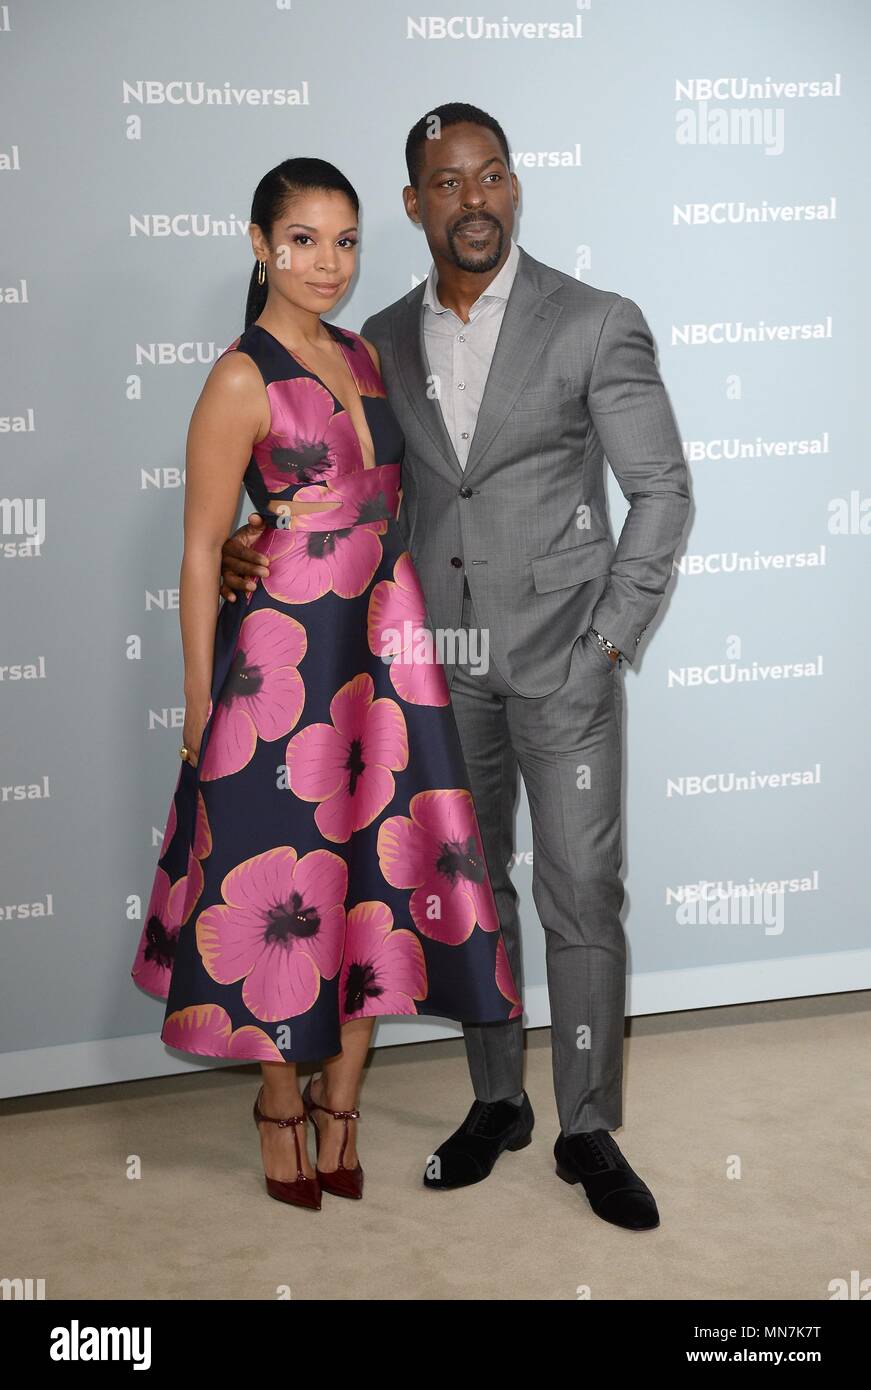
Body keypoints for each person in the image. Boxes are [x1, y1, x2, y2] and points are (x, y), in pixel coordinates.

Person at [221, 105, 692, 1232]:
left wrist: (611, 640)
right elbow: (332, 482)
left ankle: (585, 1123)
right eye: (446, 181)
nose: (472, 198)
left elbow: (662, 491)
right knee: (472, 899)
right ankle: (497, 1101)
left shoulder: (594, 320)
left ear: (514, 187)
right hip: (437, 673)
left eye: (490, 176)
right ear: (413, 203)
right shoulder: (372, 339)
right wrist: (255, 536)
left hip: (566, 663)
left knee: (582, 896)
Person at [131, 156, 520, 1213]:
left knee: (372, 879)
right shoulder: (238, 375)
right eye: (302, 239)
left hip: (384, 652)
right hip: (282, 665)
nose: (326, 262)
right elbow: (202, 548)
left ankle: (342, 1093)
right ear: (260, 244)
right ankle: (275, 1100)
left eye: (344, 241)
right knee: (280, 871)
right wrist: (201, 704)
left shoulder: (364, 354)